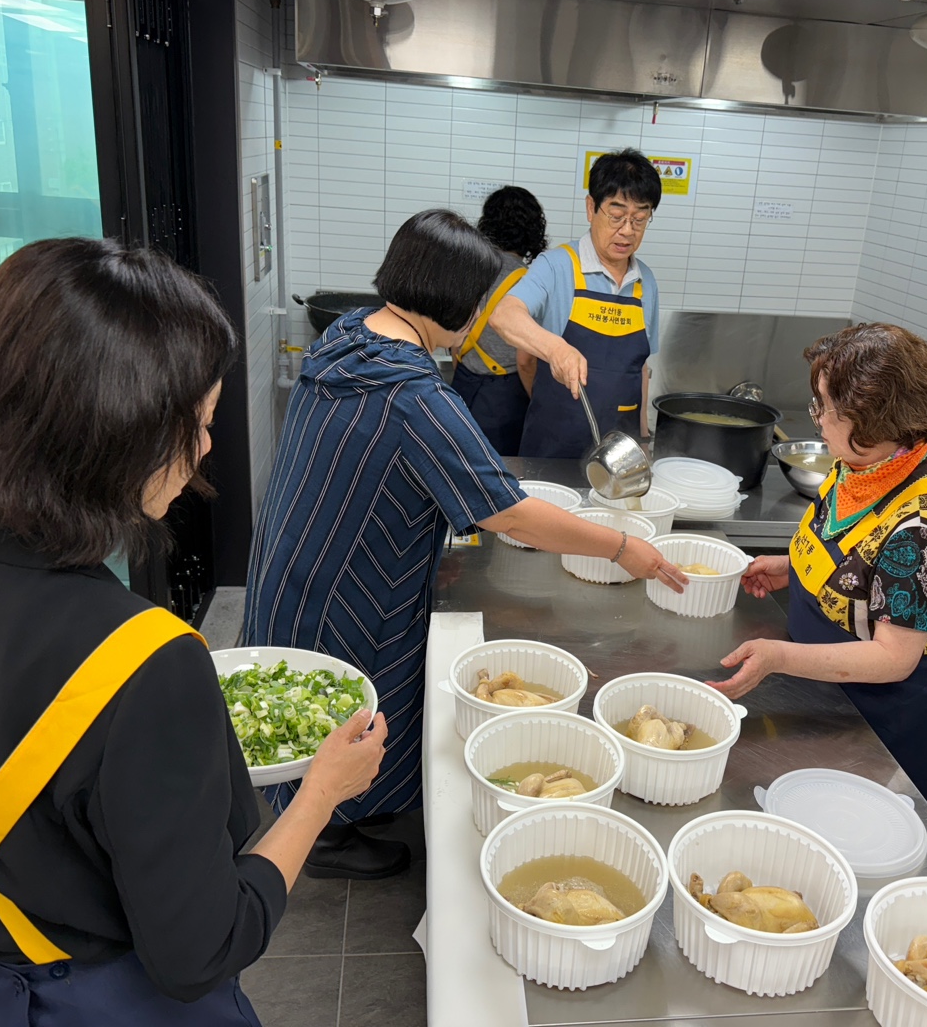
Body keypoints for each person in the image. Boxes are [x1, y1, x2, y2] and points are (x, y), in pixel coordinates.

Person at [0, 238, 389, 1024]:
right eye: (198, 425)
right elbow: (203, 949)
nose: (205, 449)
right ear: (117, 436)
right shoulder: (146, 663)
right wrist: (322, 792)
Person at [242, 209, 686, 880]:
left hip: (295, 553)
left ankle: (338, 806)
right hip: (350, 580)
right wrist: (623, 547)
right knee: (343, 699)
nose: (481, 315)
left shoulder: (349, 335)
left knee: (315, 695)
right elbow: (509, 513)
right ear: (456, 303)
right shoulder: (416, 394)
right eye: (480, 301)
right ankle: (325, 835)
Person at [711, 324, 927, 830]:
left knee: (863, 839)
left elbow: (894, 657)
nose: (818, 419)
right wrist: (795, 569)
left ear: (871, 421)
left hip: (880, 717)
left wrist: (779, 657)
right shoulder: (863, 465)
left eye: (826, 408)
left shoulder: (923, 527)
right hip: (824, 693)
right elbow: (855, 554)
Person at [487, 148, 663, 457]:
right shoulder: (555, 266)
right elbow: (504, 316)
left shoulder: (645, 281)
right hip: (553, 449)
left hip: (620, 454)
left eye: (639, 218)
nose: (627, 230)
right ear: (591, 207)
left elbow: (641, 368)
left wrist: (645, 438)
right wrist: (556, 349)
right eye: (616, 215)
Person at [450, 185, 548, 454]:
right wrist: (536, 403)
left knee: (458, 460)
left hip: (463, 383)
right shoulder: (529, 282)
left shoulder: (472, 268)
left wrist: (464, 372)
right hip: (506, 399)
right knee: (499, 470)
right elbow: (525, 361)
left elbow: (454, 338)